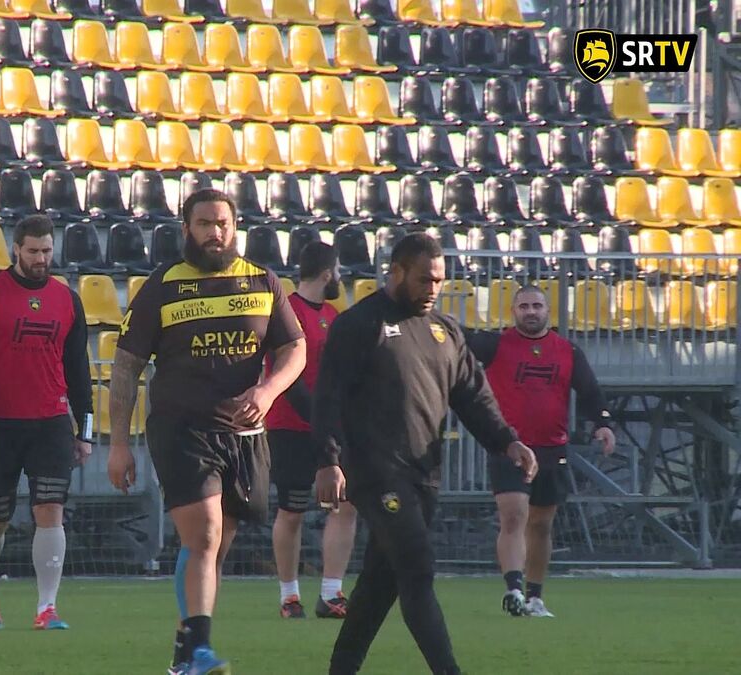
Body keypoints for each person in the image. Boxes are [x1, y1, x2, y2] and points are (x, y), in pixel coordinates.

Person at [312, 233, 538, 675]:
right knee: (417, 565)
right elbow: (328, 397)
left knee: (380, 583)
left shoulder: (446, 331)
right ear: (394, 273)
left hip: (423, 475)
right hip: (375, 472)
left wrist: (507, 441)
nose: (432, 289)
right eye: (423, 280)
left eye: (438, 280)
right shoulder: (360, 324)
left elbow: (474, 398)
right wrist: (328, 459)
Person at [106, 189, 307, 675]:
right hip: (181, 429)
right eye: (203, 224)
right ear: (186, 230)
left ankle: (183, 649)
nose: (214, 233)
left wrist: (267, 392)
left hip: (242, 435)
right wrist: (117, 444)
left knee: (217, 543)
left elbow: (294, 348)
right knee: (207, 534)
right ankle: (199, 651)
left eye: (222, 223)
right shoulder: (163, 286)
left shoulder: (263, 282)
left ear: (235, 227)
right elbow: (125, 368)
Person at [0, 214, 94, 632]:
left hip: (50, 421)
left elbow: (79, 370)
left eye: (47, 251)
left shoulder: (67, 299)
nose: (40, 258)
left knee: (50, 508)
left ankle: (47, 607)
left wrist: (84, 431)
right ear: (16, 249)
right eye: (33, 251)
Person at [466, 285, 616, 619]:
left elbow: (590, 391)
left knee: (541, 525)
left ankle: (535, 596)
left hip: (552, 448)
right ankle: (514, 589)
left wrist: (603, 424)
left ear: (547, 311)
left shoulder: (567, 350)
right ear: (513, 311)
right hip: (511, 446)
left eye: (536, 306)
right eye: (524, 306)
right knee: (514, 515)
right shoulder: (494, 344)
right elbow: (453, 335)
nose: (530, 312)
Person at [265, 241, 358, 621]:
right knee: (292, 511)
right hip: (290, 426)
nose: (340, 278)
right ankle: (289, 596)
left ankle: (331, 592)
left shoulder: (335, 316)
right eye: (337, 272)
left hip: (329, 428)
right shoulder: (286, 312)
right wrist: (320, 419)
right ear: (326, 273)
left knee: (345, 504)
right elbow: (287, 378)